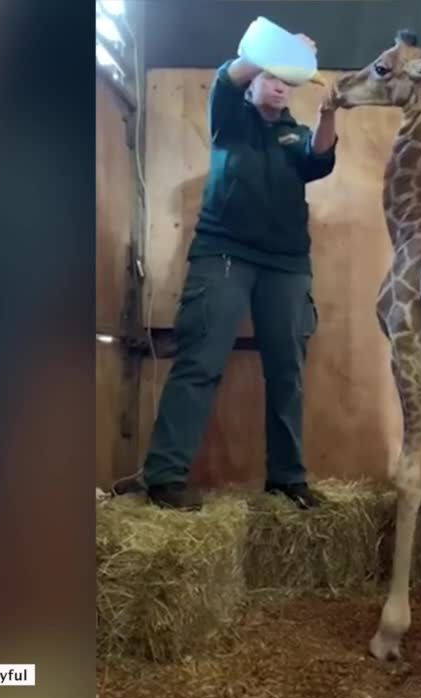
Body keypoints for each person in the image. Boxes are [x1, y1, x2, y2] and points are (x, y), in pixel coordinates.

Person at [138, 31, 339, 511]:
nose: (277, 86)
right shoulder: (229, 113)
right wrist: (280, 51)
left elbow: (321, 160)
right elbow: (234, 72)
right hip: (222, 254)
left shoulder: (297, 136)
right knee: (200, 362)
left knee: (287, 372)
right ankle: (165, 476)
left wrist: (329, 112)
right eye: (268, 78)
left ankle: (287, 479)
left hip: (286, 266)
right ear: (252, 85)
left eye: (285, 81)